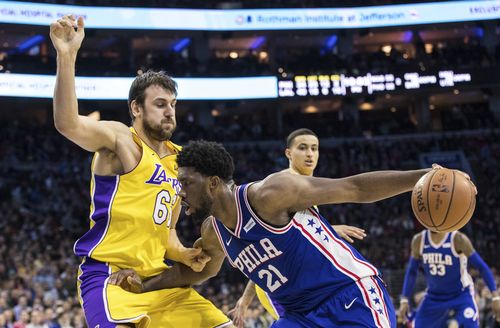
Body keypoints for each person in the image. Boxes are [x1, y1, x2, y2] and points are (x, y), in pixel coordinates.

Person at [113, 140, 460, 327]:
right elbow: (196, 271)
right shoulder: (213, 231)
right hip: (298, 315)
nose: (180, 192)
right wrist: (143, 284)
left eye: (185, 183)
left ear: (214, 183)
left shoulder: (269, 195)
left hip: (348, 295)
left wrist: (425, 177)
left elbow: (354, 187)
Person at [49, 15, 231, 327]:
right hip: (110, 280)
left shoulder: (181, 162)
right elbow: (69, 123)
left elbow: (167, 231)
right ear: (136, 108)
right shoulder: (121, 140)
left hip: (157, 282)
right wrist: (66, 56)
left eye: (172, 104)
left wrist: (184, 253)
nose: (169, 111)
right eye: (160, 104)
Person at [228, 128, 366, 326]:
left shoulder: (305, 186)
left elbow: (275, 247)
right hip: (279, 285)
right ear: (288, 153)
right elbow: (269, 246)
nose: (310, 154)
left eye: (314, 148)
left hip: (282, 276)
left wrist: (245, 299)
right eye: (302, 148)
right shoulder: (286, 185)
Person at [398, 229, 500, 327]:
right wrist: (404, 299)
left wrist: (495, 297)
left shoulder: (458, 239)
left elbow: (482, 267)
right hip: (434, 297)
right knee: (418, 324)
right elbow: (411, 271)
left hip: (460, 295)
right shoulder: (419, 240)